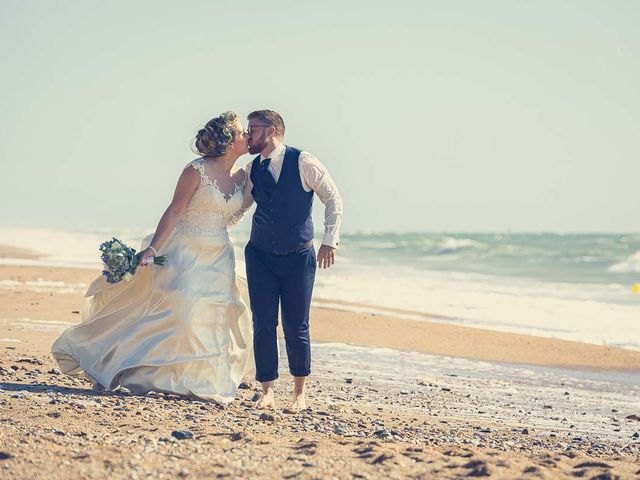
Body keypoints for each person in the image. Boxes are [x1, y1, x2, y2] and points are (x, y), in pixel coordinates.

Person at [51, 111, 255, 403]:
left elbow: (235, 213)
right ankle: (141, 370)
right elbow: (174, 211)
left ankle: (203, 380)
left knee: (213, 314)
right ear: (228, 141)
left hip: (220, 254)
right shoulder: (195, 170)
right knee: (184, 307)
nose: (247, 136)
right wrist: (153, 249)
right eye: (241, 133)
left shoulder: (243, 177)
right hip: (185, 250)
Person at [242, 109, 343, 412]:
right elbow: (240, 205)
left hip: (299, 256)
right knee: (263, 323)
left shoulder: (303, 161)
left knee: (296, 325)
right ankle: (267, 391)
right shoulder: (252, 169)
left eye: (253, 129)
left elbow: (333, 198)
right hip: (259, 255)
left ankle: (299, 393)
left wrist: (329, 241)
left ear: (270, 131)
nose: (248, 135)